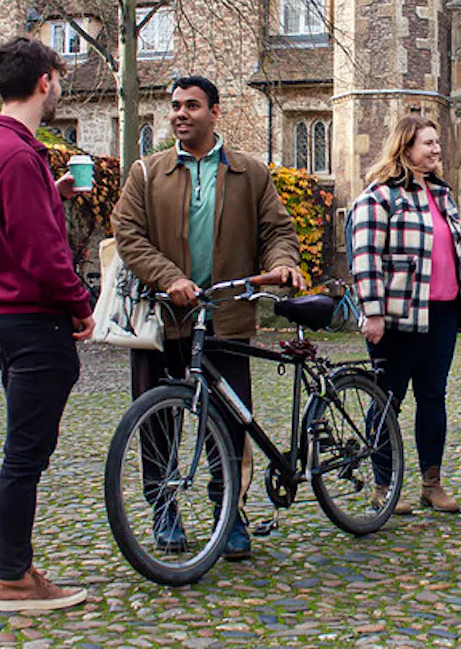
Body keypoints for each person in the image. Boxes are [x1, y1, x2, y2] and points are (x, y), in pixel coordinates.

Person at [111, 76, 303, 560]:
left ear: (214, 112)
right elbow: (128, 234)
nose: (180, 113)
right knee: (158, 422)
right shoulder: (147, 172)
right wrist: (168, 276)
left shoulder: (249, 173)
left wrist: (283, 262)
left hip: (226, 316)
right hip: (162, 317)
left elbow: (277, 229)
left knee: (231, 420)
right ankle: (164, 509)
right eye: (175, 105)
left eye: (191, 106)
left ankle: (229, 512)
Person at [0, 36, 93, 612]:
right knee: (27, 456)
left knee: (22, 447)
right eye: (60, 78)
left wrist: (49, 191)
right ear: (45, 82)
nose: (60, 88)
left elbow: (5, 224)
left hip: (0, 317)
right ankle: (17, 578)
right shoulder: (19, 154)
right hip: (34, 320)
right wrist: (80, 304)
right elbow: (41, 254)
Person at [348, 115, 461, 514]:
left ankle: (432, 484)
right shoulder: (379, 197)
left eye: (437, 143)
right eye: (428, 143)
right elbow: (365, 258)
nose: (436, 149)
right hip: (396, 317)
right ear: (405, 147)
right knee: (387, 399)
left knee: (433, 398)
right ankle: (384, 486)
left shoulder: (442, 195)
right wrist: (373, 313)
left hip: (439, 314)